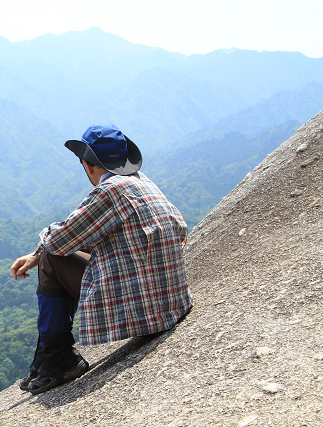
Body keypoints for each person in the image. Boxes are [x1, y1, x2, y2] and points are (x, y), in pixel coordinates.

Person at [10, 124, 193, 394]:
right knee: (57, 252)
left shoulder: (109, 192)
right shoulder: (144, 182)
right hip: (172, 302)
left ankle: (58, 358)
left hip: (147, 311)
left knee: (51, 258)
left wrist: (39, 253)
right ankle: (47, 358)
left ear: (88, 164)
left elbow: (59, 240)